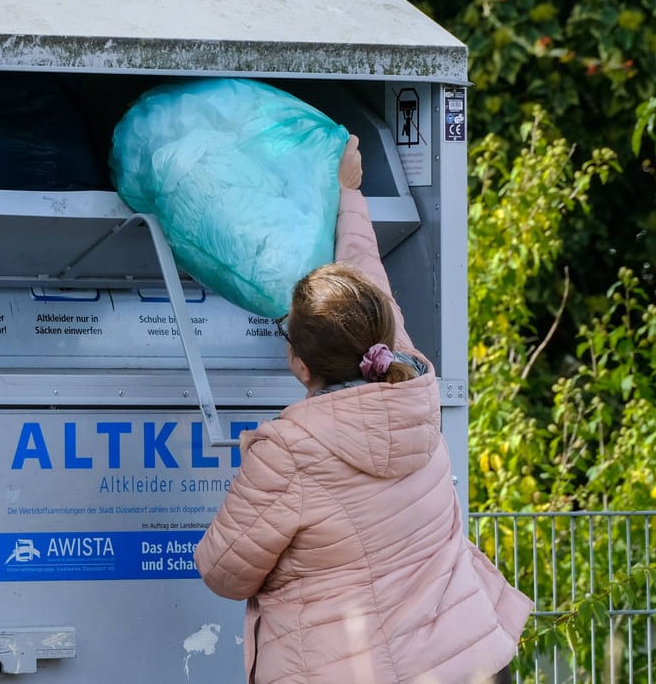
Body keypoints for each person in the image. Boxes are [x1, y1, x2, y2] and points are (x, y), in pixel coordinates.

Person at [195, 135, 532, 684]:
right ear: (379, 334)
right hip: (463, 661)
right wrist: (350, 192)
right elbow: (364, 272)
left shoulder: (289, 454)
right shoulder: (413, 379)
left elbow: (223, 570)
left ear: (300, 365)